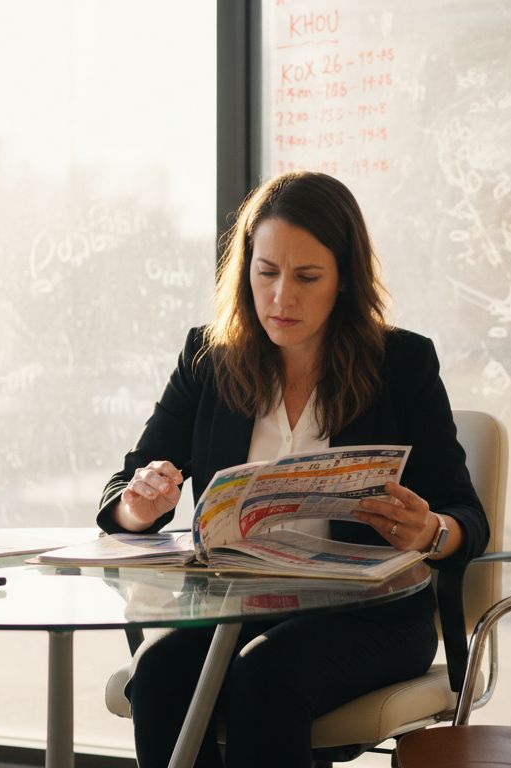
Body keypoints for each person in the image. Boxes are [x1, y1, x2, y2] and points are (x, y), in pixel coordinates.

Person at [97, 171, 488, 768]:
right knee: (156, 675)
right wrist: (140, 503)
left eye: (308, 277)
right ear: (246, 270)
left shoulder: (402, 364)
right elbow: (123, 491)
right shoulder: (209, 359)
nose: (282, 297)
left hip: (371, 615)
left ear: (344, 280)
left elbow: (467, 515)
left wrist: (431, 530)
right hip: (237, 607)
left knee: (265, 678)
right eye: (267, 272)